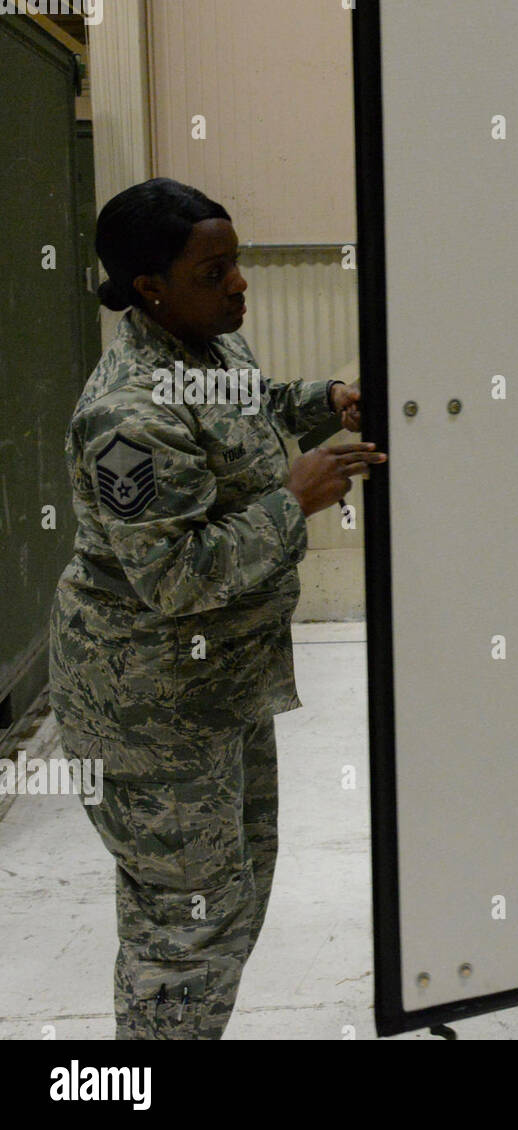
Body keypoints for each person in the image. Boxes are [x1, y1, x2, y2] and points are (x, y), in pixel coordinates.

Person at [47, 177, 386, 1039]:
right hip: (148, 710)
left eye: (237, 263)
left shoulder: (209, 349)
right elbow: (177, 574)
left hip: (221, 689)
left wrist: (323, 405)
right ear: (150, 286)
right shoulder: (127, 413)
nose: (240, 284)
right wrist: (291, 500)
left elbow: (255, 408)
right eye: (216, 270)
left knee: (228, 902)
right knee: (186, 930)